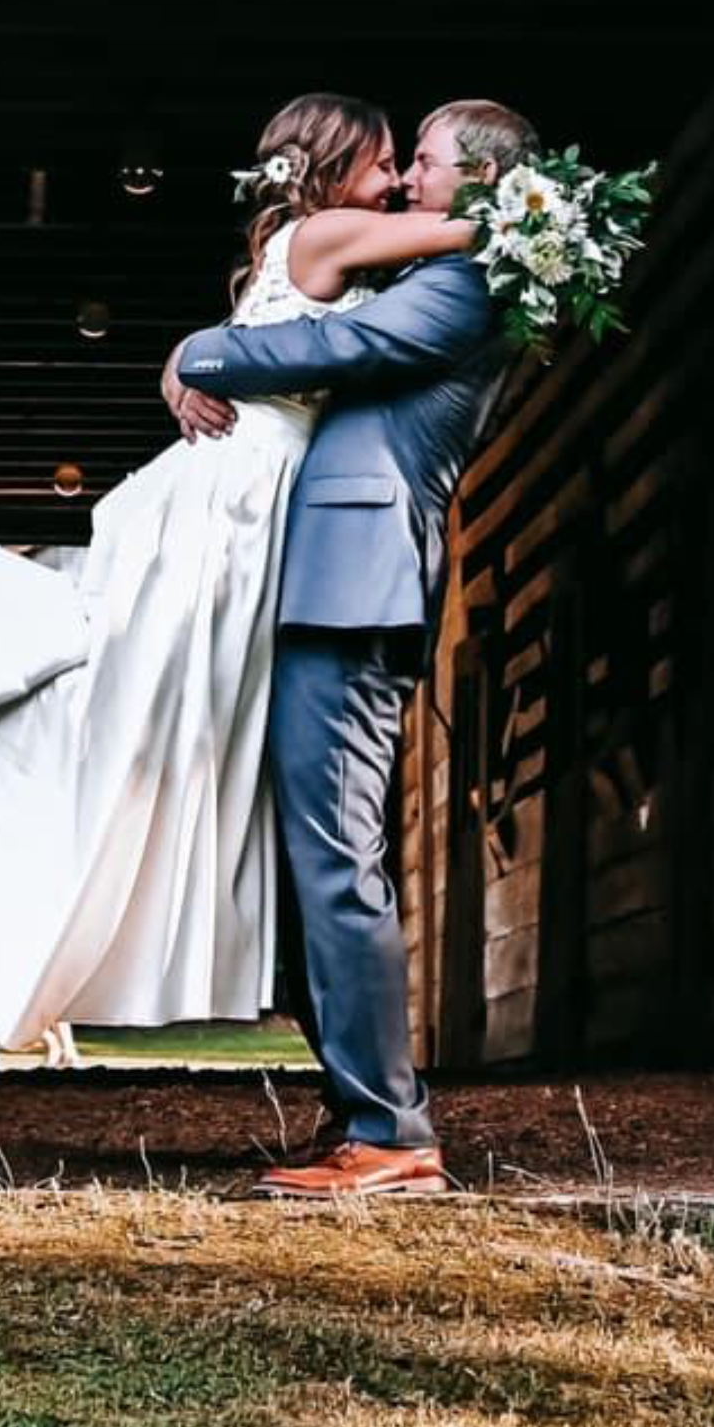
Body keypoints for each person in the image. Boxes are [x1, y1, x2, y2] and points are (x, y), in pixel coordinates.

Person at [0, 94, 478, 1059]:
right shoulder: (336, 229)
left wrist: (187, 357)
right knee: (148, 709)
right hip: (241, 501)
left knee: (151, 714)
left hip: (233, 489)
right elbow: (477, 230)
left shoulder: (299, 240)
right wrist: (552, 212)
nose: (395, 182)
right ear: (339, 172)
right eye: (387, 163)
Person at [165, 98, 540, 1197]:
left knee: (336, 857)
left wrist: (197, 348)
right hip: (324, 584)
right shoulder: (430, 266)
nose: (408, 179)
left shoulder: (467, 282)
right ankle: (358, 1114)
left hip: (356, 587)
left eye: (423, 162)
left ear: (478, 180)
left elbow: (339, 344)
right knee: (313, 856)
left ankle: (391, 1134)